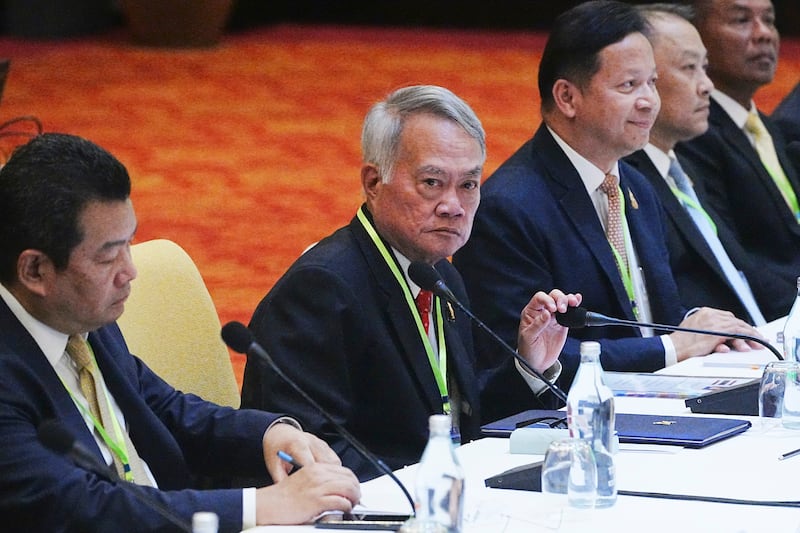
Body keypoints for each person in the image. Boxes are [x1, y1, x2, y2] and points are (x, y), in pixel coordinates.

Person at [0, 133, 361, 533]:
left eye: (129, 245)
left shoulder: (79, 317)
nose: (129, 271)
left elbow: (161, 407)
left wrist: (268, 434)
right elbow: (79, 508)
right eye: (107, 256)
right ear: (34, 271)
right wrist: (257, 505)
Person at [240, 85, 581, 480]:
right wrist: (432, 481)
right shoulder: (322, 289)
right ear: (373, 182)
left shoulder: (438, 275)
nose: (454, 206)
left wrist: (528, 366)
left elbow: (455, 423)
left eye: (469, 185)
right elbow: (308, 450)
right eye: (432, 183)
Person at [452, 0, 761, 419]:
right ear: (567, 97)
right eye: (629, 86)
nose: (649, 101)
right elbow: (524, 358)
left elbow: (651, 317)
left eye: (651, 82)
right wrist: (673, 345)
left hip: (666, 404)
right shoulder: (509, 207)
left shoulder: (634, 185)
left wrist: (698, 327)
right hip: (567, 427)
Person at [624, 3, 792, 323]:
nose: (707, 85)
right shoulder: (630, 181)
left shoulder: (680, 168)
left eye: (704, 67)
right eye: (690, 68)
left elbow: (741, 271)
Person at [676, 0, 800, 292]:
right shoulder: (693, 136)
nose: (764, 34)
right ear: (696, 35)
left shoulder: (769, 128)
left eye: (769, 20)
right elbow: (738, 261)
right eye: (741, 21)